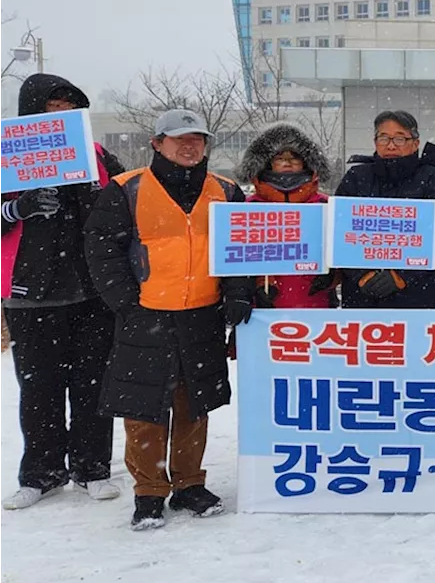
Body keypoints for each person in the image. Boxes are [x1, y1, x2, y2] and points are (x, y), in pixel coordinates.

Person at [83, 109, 254, 530]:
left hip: (202, 314)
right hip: (146, 314)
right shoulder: (126, 189)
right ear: (157, 143)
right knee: (144, 408)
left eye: (197, 138)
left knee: (194, 404)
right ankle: (149, 491)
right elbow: (101, 248)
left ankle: (189, 484)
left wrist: (237, 294)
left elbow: (244, 249)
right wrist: (125, 300)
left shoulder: (227, 191)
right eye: (179, 138)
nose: (189, 145)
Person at [0, 74, 127, 510]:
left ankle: (92, 468)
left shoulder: (97, 155)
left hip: (93, 290)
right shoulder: (7, 152)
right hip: (29, 291)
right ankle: (41, 473)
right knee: (39, 389)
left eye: (69, 107)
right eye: (52, 106)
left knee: (93, 385)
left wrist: (94, 196)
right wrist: (18, 207)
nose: (61, 114)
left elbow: (127, 207)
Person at [335, 110, 435, 308]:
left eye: (399, 138)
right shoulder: (356, 177)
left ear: (415, 143)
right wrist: (361, 275)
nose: (390, 145)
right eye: (383, 137)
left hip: (416, 292)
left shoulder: (432, 178)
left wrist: (402, 276)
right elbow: (337, 231)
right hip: (361, 292)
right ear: (375, 141)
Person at [233, 122, 338, 309]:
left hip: (317, 308)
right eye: (279, 157)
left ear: (306, 162)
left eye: (295, 158)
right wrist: (258, 282)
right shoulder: (249, 208)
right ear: (267, 163)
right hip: (263, 312)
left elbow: (343, 251)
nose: (287, 162)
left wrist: (332, 275)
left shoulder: (326, 206)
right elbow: (236, 259)